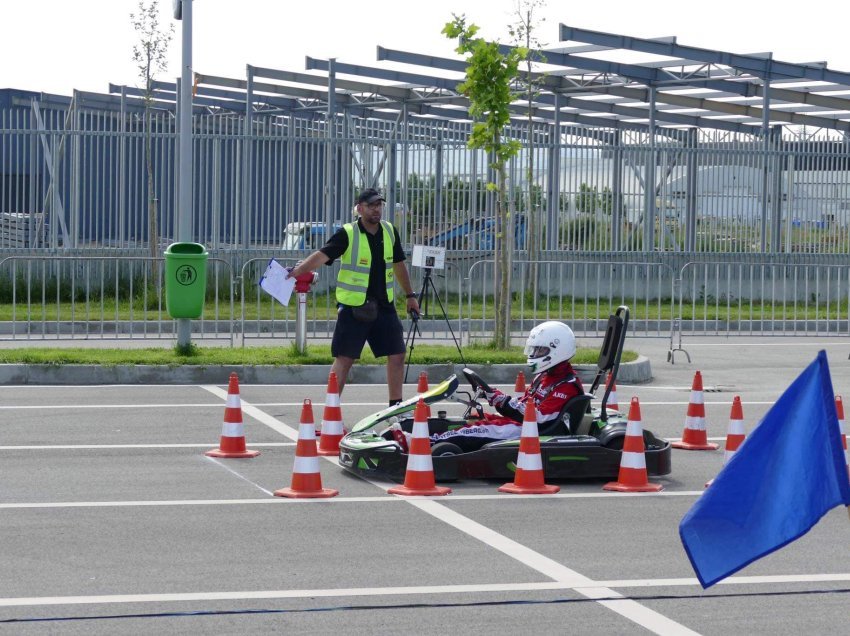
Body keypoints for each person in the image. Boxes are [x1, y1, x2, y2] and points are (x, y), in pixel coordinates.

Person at [286, 188, 420, 406]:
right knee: (344, 359)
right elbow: (322, 255)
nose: (376, 209)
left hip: (384, 305)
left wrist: (410, 295)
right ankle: (330, 411)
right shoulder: (347, 233)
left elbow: (398, 264)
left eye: (379, 205)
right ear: (359, 208)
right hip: (354, 307)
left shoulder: (389, 231)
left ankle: (395, 407)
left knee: (397, 355)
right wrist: (297, 271)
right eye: (371, 205)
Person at [426, 321, 584, 451]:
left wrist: (503, 401)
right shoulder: (544, 376)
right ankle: (423, 433)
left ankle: (422, 444)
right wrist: (498, 398)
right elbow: (524, 403)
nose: (535, 354)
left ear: (558, 349)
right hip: (522, 424)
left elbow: (540, 418)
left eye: (540, 350)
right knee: (475, 420)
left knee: (478, 431)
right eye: (535, 350)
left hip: (534, 430)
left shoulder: (566, 385)